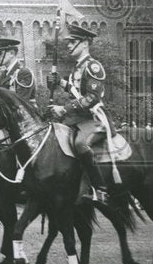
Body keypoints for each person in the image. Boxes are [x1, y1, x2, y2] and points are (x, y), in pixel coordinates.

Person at [46, 24, 111, 204]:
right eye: (68, 42)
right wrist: (59, 82)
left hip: (93, 118)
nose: (68, 45)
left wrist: (64, 109)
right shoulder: (77, 67)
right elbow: (76, 91)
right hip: (77, 119)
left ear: (84, 44)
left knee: (80, 144)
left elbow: (92, 98)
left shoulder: (94, 67)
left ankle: (99, 188)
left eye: (73, 42)